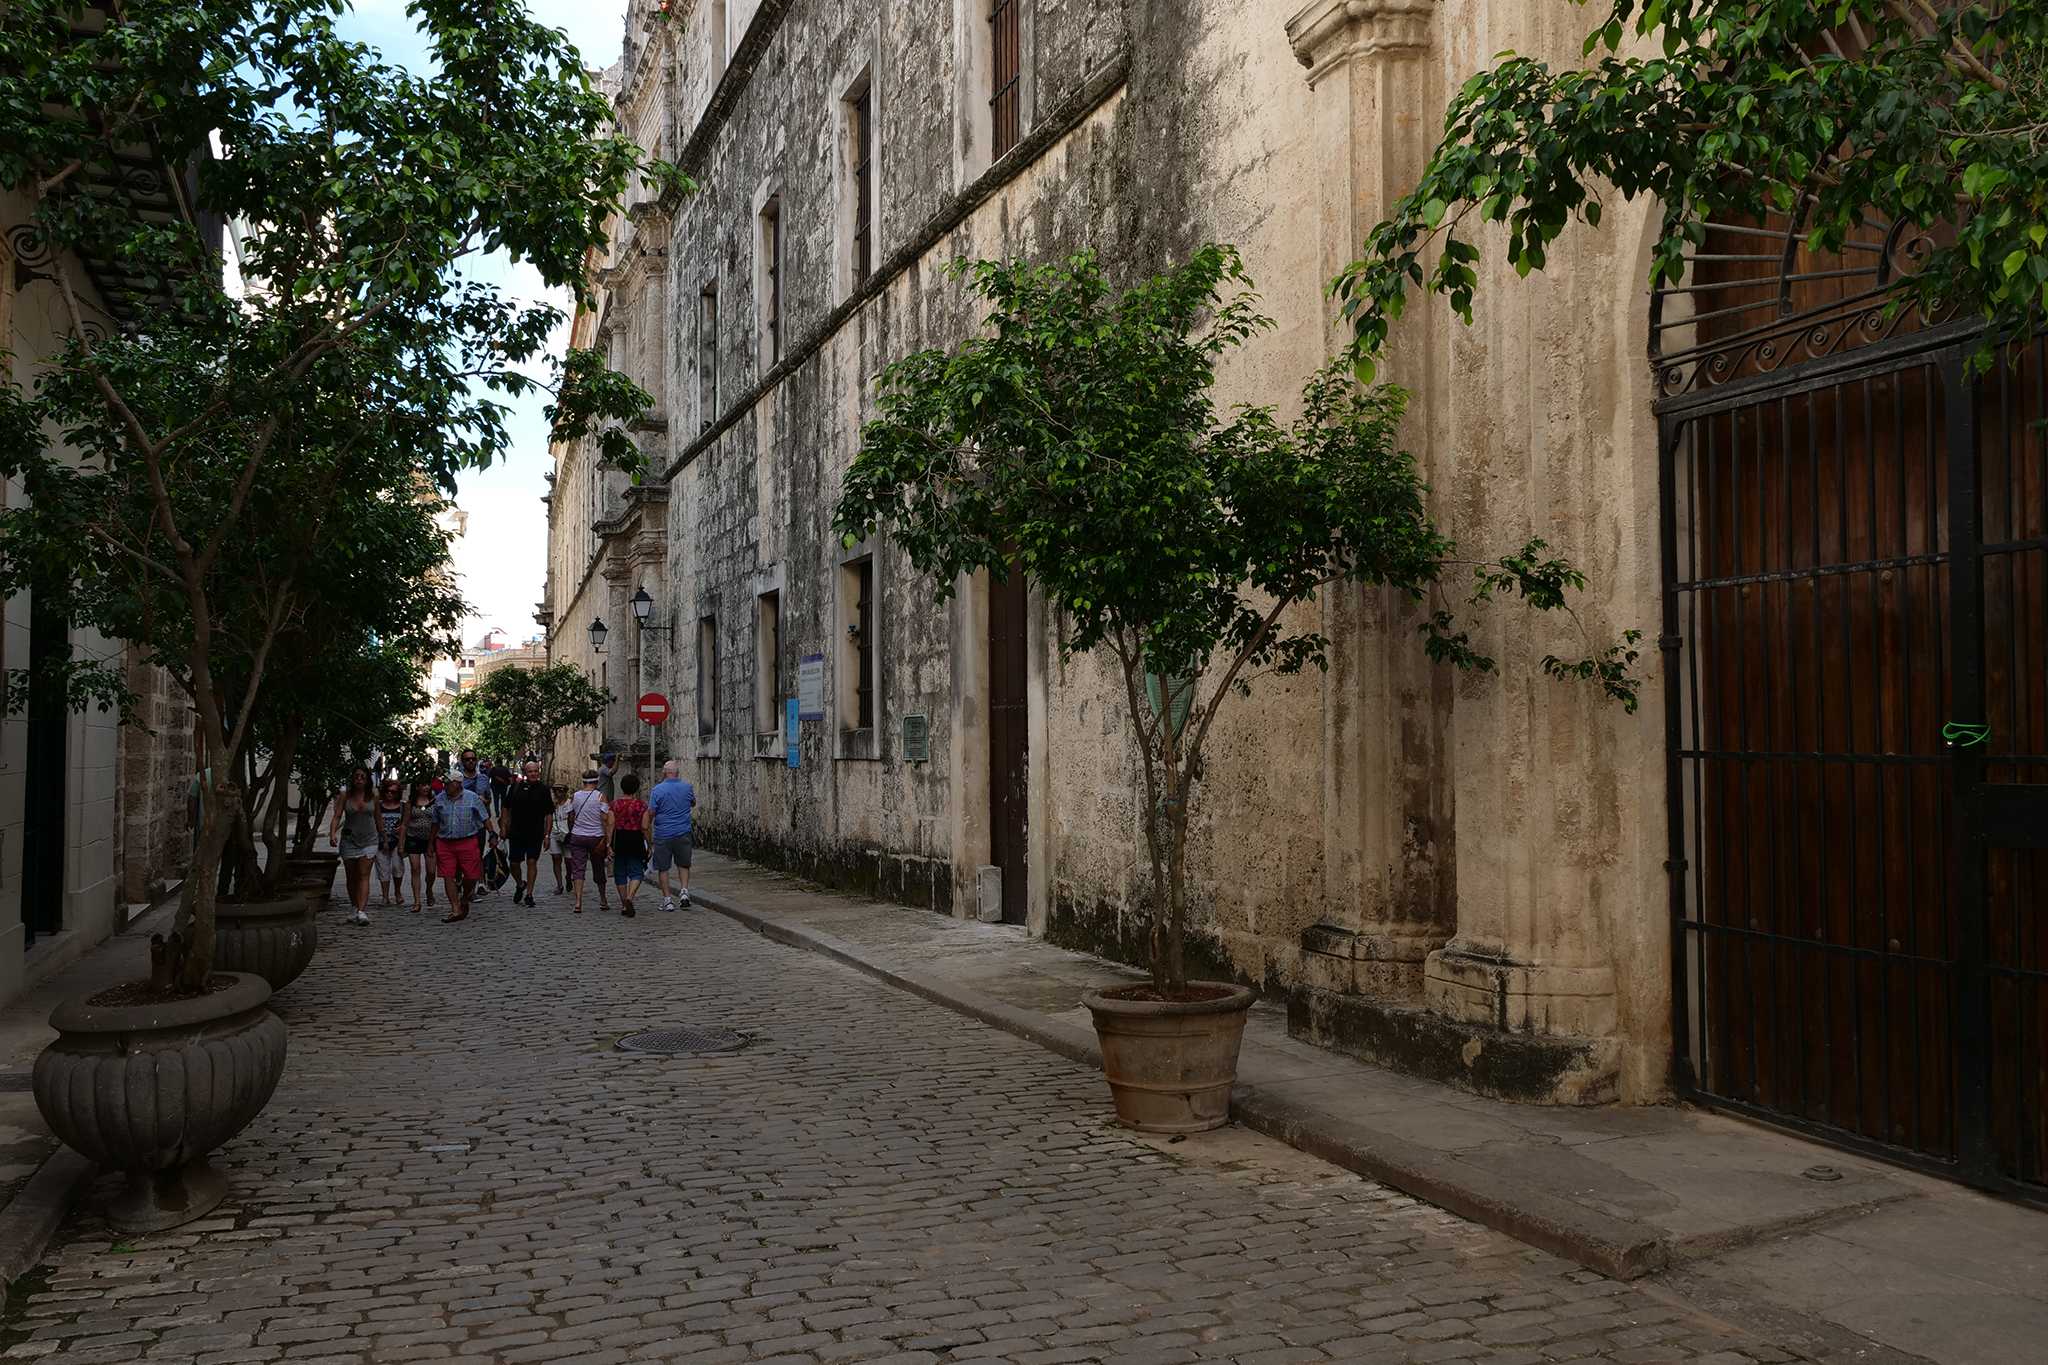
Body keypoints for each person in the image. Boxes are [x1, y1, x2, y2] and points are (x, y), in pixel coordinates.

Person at [432, 771, 494, 922]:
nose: (445, 786)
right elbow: (435, 823)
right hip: (445, 842)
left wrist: (492, 833)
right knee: (448, 876)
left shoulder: (472, 798)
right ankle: (455, 908)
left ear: (457, 783)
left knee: (472, 875)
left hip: (467, 841)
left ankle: (465, 897)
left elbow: (484, 818)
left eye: (448, 783)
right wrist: (430, 843)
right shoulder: (439, 799)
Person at [499, 760, 555, 907]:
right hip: (516, 832)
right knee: (514, 864)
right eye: (530, 771)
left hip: (535, 832)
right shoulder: (516, 787)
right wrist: (504, 827)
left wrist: (547, 835)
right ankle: (520, 884)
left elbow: (549, 813)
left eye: (536, 771)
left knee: (532, 861)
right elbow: (505, 807)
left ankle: (529, 894)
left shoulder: (543, 789)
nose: (533, 774)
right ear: (525, 773)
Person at [329, 767, 379, 927]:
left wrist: (384, 836)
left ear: (367, 779)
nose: (359, 779)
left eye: (362, 777)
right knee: (352, 877)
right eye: (356, 776)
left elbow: (378, 817)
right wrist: (332, 834)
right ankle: (354, 906)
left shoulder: (374, 796)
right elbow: (337, 815)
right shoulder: (346, 796)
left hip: (370, 840)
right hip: (349, 840)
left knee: (364, 875)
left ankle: (362, 911)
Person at [647, 759, 696, 912]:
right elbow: (692, 803)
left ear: (664, 773)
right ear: (677, 773)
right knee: (683, 864)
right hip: (683, 832)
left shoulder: (657, 790)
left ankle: (668, 900)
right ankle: (684, 892)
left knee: (663, 868)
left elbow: (651, 812)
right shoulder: (687, 787)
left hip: (663, 834)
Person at [562, 770, 611, 914]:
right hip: (596, 837)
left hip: (578, 836)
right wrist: (607, 840)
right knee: (598, 868)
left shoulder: (575, 796)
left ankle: (578, 902)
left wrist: (573, 830)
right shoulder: (601, 796)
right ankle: (602, 899)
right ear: (596, 782)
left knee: (578, 869)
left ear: (583, 782)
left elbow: (571, 817)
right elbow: (605, 819)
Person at [610, 773, 649, 918]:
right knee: (637, 872)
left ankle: (623, 904)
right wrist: (649, 843)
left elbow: (610, 824)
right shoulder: (641, 806)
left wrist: (608, 843)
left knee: (620, 872)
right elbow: (645, 826)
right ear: (636, 788)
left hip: (619, 838)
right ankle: (630, 898)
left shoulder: (614, 805)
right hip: (635, 838)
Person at [402, 779, 436, 914]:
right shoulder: (410, 804)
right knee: (415, 869)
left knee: (431, 871)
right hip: (413, 838)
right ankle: (417, 901)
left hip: (430, 840)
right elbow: (404, 824)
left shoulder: (435, 802)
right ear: (416, 787)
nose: (426, 787)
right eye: (422, 784)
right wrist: (401, 844)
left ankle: (429, 889)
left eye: (427, 784)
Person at [373, 778, 407, 908]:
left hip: (397, 841)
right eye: (387, 791)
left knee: (397, 867)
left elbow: (406, 822)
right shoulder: (379, 805)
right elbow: (376, 821)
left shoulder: (402, 806)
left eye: (393, 792)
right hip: (381, 841)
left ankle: (397, 892)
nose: (390, 794)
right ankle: (385, 896)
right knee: (383, 868)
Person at [548, 784, 572, 894]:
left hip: (567, 834)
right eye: (556, 791)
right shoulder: (551, 804)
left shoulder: (570, 803)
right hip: (554, 831)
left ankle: (568, 876)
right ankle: (559, 884)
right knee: (556, 858)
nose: (558, 794)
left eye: (561, 791)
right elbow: (547, 818)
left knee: (569, 860)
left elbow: (572, 819)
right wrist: (546, 835)